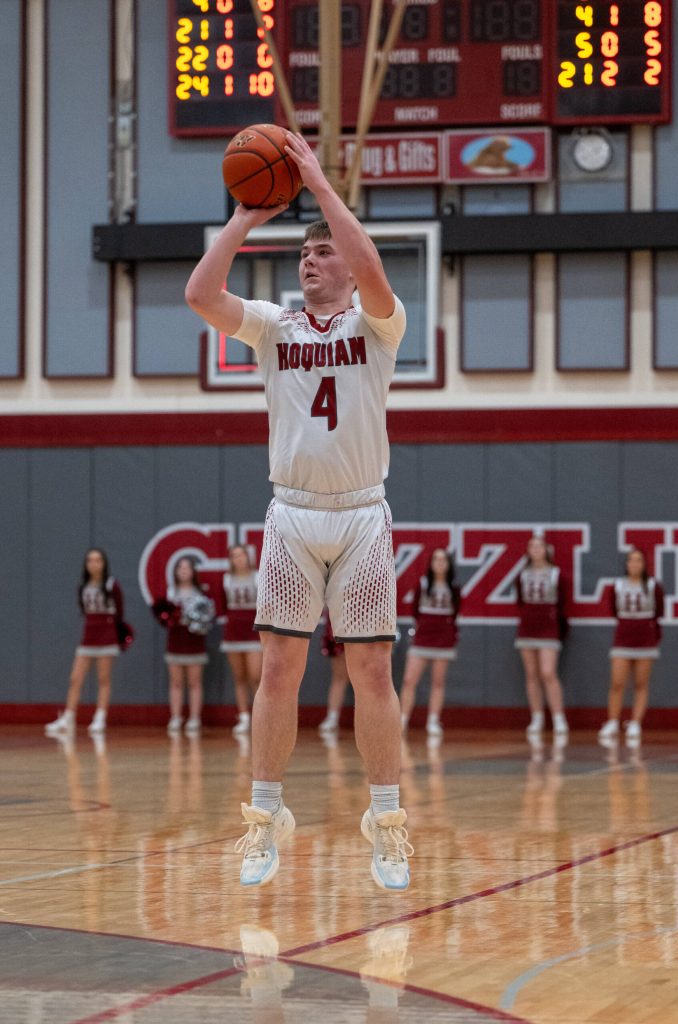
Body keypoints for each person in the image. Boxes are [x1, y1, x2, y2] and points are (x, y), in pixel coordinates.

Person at [185, 130, 413, 890]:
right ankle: (263, 818)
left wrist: (316, 185)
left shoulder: (378, 324)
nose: (308, 262)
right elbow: (199, 295)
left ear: (346, 265)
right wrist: (246, 216)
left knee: (372, 671)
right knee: (278, 668)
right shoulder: (274, 325)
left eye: (321, 254)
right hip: (291, 514)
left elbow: (374, 267)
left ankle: (385, 822)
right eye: (304, 256)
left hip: (359, 517)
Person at [45, 548, 125, 737]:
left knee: (103, 679)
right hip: (88, 636)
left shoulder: (112, 585)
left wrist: (113, 633)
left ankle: (100, 717)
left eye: (98, 560)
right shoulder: (83, 585)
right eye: (90, 560)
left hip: (106, 636)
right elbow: (83, 609)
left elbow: (120, 612)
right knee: (75, 678)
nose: (94, 564)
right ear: (86, 564)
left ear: (104, 563)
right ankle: (68, 716)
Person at [598, 547, 664, 746]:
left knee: (641, 683)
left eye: (639, 560)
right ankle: (612, 721)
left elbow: (659, 610)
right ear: (626, 564)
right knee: (617, 682)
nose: (634, 564)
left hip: (645, 638)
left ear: (644, 564)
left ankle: (635, 722)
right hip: (623, 637)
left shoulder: (653, 586)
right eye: (631, 560)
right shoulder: (617, 586)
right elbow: (612, 610)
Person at [400, 548, 460, 739]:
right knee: (409, 680)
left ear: (449, 564)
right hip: (423, 638)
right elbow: (414, 610)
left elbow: (456, 612)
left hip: (443, 639)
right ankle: (402, 719)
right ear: (431, 563)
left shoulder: (454, 587)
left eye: (444, 560)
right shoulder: (423, 584)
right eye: (436, 559)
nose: (440, 563)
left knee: (438, 682)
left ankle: (433, 721)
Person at [514, 534, 569, 740]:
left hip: (549, 628)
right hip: (527, 627)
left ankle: (558, 717)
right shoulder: (522, 575)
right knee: (531, 674)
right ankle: (536, 716)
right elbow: (520, 600)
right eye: (532, 546)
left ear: (546, 550)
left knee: (548, 672)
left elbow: (563, 602)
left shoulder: (557, 574)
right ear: (528, 551)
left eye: (540, 546)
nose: (536, 550)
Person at [153, 556, 215, 736]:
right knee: (176, 682)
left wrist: (200, 623)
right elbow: (164, 615)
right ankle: (176, 717)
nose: (183, 570)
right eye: (180, 567)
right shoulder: (170, 592)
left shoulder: (200, 593)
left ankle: (195, 718)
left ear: (193, 572)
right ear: (175, 571)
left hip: (194, 641)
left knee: (195, 682)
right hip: (175, 640)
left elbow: (207, 616)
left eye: (187, 567)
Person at [220, 544, 262, 737]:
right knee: (239, 676)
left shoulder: (258, 576)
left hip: (253, 630)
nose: (238, 559)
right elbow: (222, 606)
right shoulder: (226, 579)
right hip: (233, 631)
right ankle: (243, 716)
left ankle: (260, 716)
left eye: (241, 555)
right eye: (234, 556)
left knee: (256, 675)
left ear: (248, 557)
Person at [318, 606, 350, 735]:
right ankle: (332, 717)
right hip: (339, 620)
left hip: (363, 619)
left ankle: (372, 718)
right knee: (339, 676)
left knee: (365, 678)